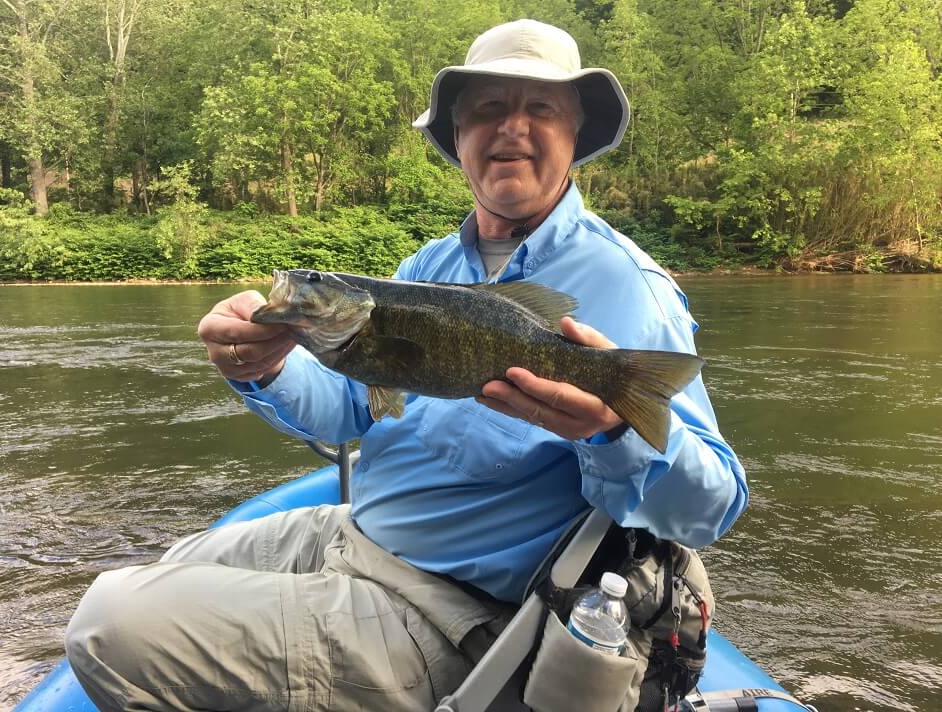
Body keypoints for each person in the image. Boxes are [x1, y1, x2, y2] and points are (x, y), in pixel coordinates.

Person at [65, 19, 748, 712]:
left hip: (449, 615)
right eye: (488, 107)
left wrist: (613, 430)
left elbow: (710, 507)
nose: (512, 126)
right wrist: (263, 365)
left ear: (575, 135)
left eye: (541, 107)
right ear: (459, 136)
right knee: (173, 564)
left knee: (108, 623)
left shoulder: (629, 286)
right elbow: (352, 407)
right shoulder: (429, 266)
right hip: (355, 536)